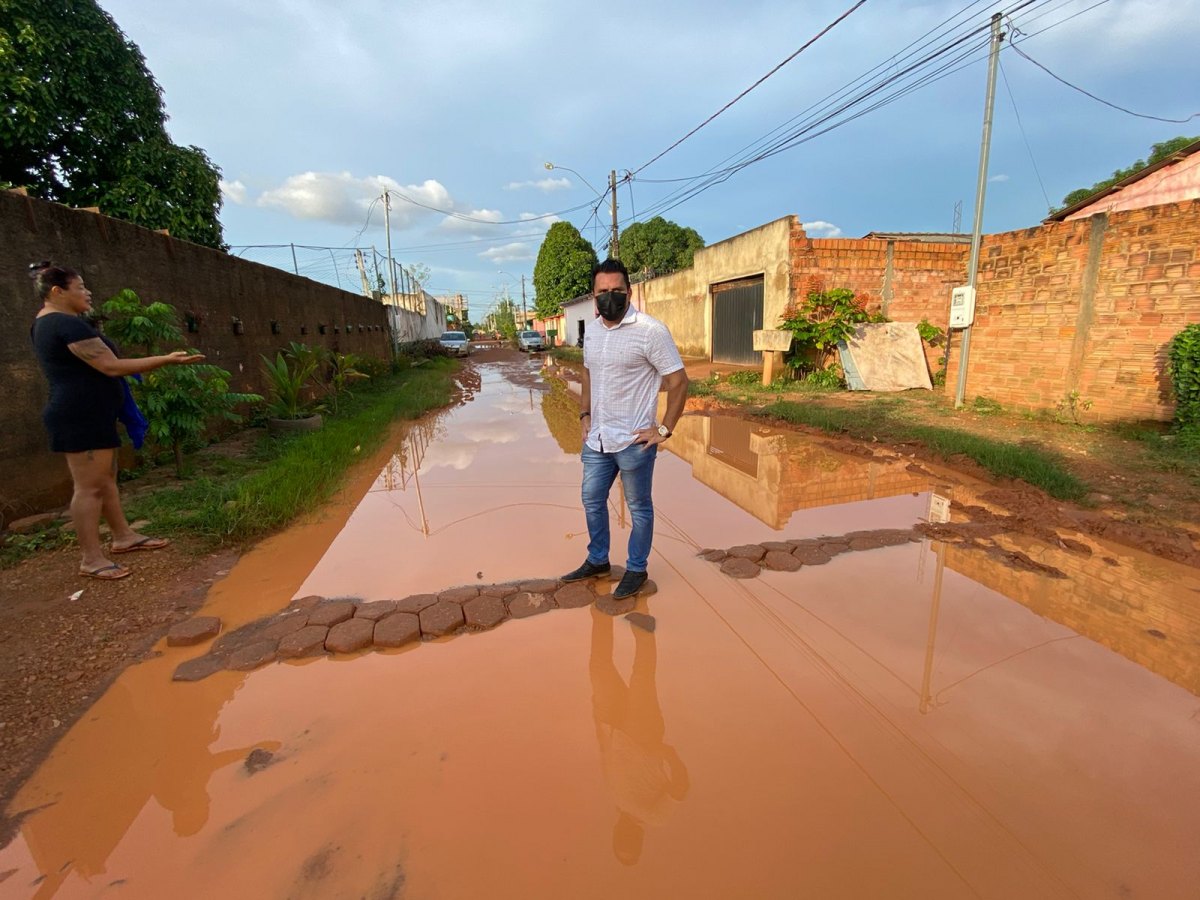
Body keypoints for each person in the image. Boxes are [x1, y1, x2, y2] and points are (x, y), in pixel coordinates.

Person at [28, 262, 205, 581]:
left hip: (90, 412)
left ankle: (123, 536)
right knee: (89, 488)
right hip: (80, 416)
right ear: (58, 291)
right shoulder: (65, 325)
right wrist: (166, 359)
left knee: (105, 481)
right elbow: (111, 366)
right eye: (80, 287)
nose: (87, 292)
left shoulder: (49, 324)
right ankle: (91, 558)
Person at [561, 258, 689, 600]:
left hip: (635, 442)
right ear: (593, 295)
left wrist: (663, 429)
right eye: (603, 291)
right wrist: (584, 415)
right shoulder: (592, 330)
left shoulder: (650, 331)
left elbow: (679, 382)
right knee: (591, 500)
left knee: (638, 507)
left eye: (617, 290)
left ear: (629, 291)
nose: (610, 297)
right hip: (598, 438)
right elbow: (587, 373)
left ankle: (636, 569)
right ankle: (598, 560)